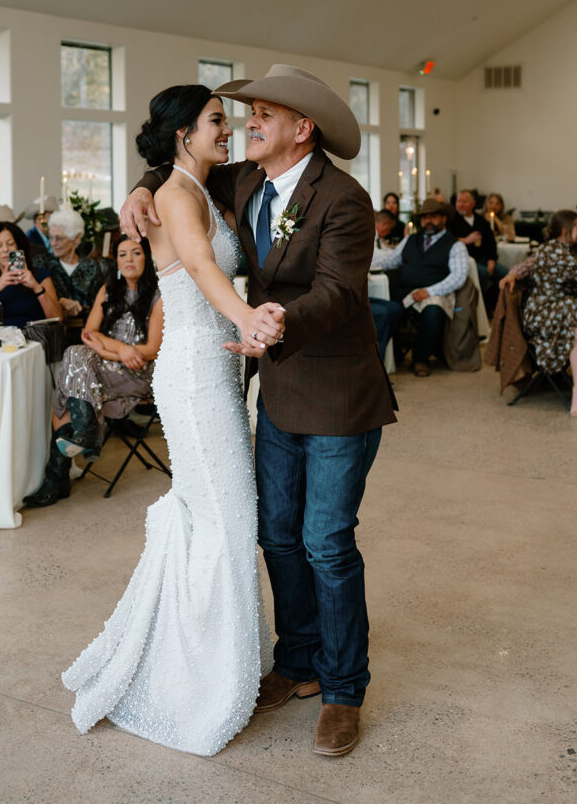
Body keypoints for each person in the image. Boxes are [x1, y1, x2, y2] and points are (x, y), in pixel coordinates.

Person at [121, 65, 397, 757]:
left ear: (302, 129)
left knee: (326, 544)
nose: (247, 123)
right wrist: (138, 187)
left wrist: (270, 323)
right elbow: (178, 173)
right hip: (273, 392)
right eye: (244, 115)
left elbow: (337, 292)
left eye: (263, 114)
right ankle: (298, 661)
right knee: (276, 535)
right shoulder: (242, 180)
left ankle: (342, 690)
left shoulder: (345, 198)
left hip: (336, 395)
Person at [62, 84, 286, 756]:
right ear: (185, 133)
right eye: (218, 121)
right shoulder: (175, 197)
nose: (231, 130)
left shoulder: (208, 187)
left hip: (218, 370)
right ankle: (199, 680)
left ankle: (219, 660)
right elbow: (193, 262)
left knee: (215, 517)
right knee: (230, 518)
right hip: (193, 374)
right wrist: (246, 315)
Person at [24, 234, 164, 507]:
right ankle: (83, 429)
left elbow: (151, 350)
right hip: (103, 369)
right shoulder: (108, 289)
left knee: (70, 374)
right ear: (116, 261)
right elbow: (89, 333)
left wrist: (114, 351)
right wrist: (118, 350)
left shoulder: (159, 296)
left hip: (136, 373)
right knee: (76, 352)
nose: (128, 260)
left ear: (147, 258)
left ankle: (58, 476)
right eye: (122, 254)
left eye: (135, 253)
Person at [502, 210, 577, 417]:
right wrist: (512, 273)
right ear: (566, 232)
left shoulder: (574, 247)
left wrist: (514, 271)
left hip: (564, 314)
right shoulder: (553, 251)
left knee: (575, 327)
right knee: (573, 306)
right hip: (541, 314)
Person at [377, 197, 469, 376]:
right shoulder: (410, 239)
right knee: (385, 307)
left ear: (443, 218)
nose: (428, 221)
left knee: (433, 309)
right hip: (405, 290)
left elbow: (458, 277)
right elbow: (390, 260)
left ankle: (421, 358)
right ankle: (393, 355)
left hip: (436, 291)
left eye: (433, 217)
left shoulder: (455, 245)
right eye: (425, 217)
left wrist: (429, 291)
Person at [0, 222, 62, 327]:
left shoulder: (40, 276)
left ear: (19, 247)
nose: (5, 249)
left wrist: (36, 287)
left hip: (35, 338)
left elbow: (57, 319)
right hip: (1, 340)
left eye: (10, 244)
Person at [37, 207, 102, 319]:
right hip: (52, 330)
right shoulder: (42, 263)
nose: (53, 243)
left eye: (59, 238)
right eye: (51, 237)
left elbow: (99, 303)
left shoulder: (91, 266)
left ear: (76, 238)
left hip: (86, 329)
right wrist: (59, 302)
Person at [449, 189, 507, 312]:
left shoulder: (481, 221)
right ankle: (478, 309)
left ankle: (489, 305)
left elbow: (491, 243)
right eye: (459, 201)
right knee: (483, 273)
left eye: (465, 201)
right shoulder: (451, 221)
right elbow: (447, 241)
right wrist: (466, 240)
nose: (461, 204)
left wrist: (491, 261)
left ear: (472, 204)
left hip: (484, 259)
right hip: (466, 261)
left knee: (506, 275)